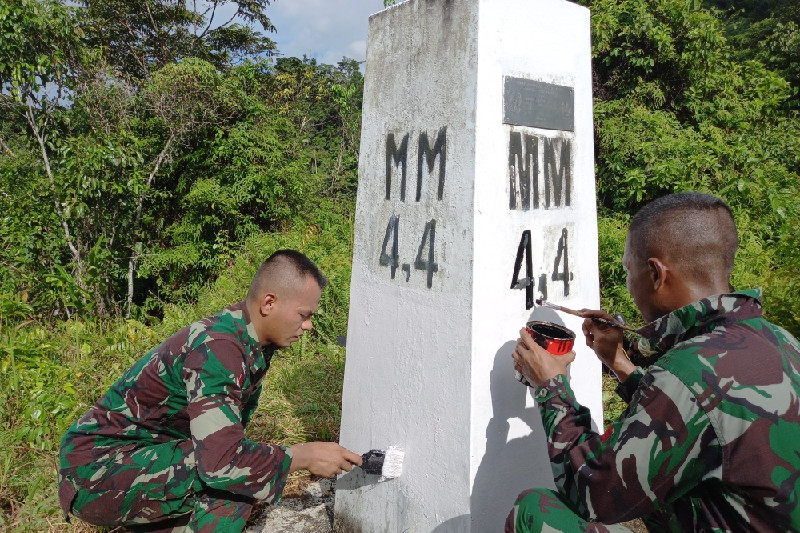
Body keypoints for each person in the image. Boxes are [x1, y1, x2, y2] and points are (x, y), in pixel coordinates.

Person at [506, 192, 800, 532]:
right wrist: (619, 363)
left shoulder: (691, 369)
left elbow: (593, 494)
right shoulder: (779, 340)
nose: (630, 286)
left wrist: (551, 387)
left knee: (535, 511)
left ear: (656, 273)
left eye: (629, 271)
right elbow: (703, 415)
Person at [58, 249, 362, 532]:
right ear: (269, 303)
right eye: (304, 314)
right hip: (95, 473)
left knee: (239, 469)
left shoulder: (250, 339)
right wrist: (302, 456)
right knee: (234, 484)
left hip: (141, 460)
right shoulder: (220, 349)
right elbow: (221, 462)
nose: (308, 326)